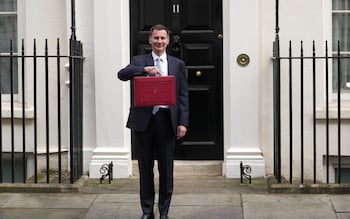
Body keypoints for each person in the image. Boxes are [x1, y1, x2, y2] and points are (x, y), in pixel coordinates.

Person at [117, 24, 189, 219]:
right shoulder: (139, 60)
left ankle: (163, 212)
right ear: (150, 40)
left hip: (167, 121)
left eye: (162, 38)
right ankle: (147, 211)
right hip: (144, 122)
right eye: (156, 38)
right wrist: (143, 70)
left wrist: (183, 122)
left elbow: (183, 96)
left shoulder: (177, 64)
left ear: (167, 41)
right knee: (145, 168)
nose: (159, 42)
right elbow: (122, 75)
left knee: (166, 169)